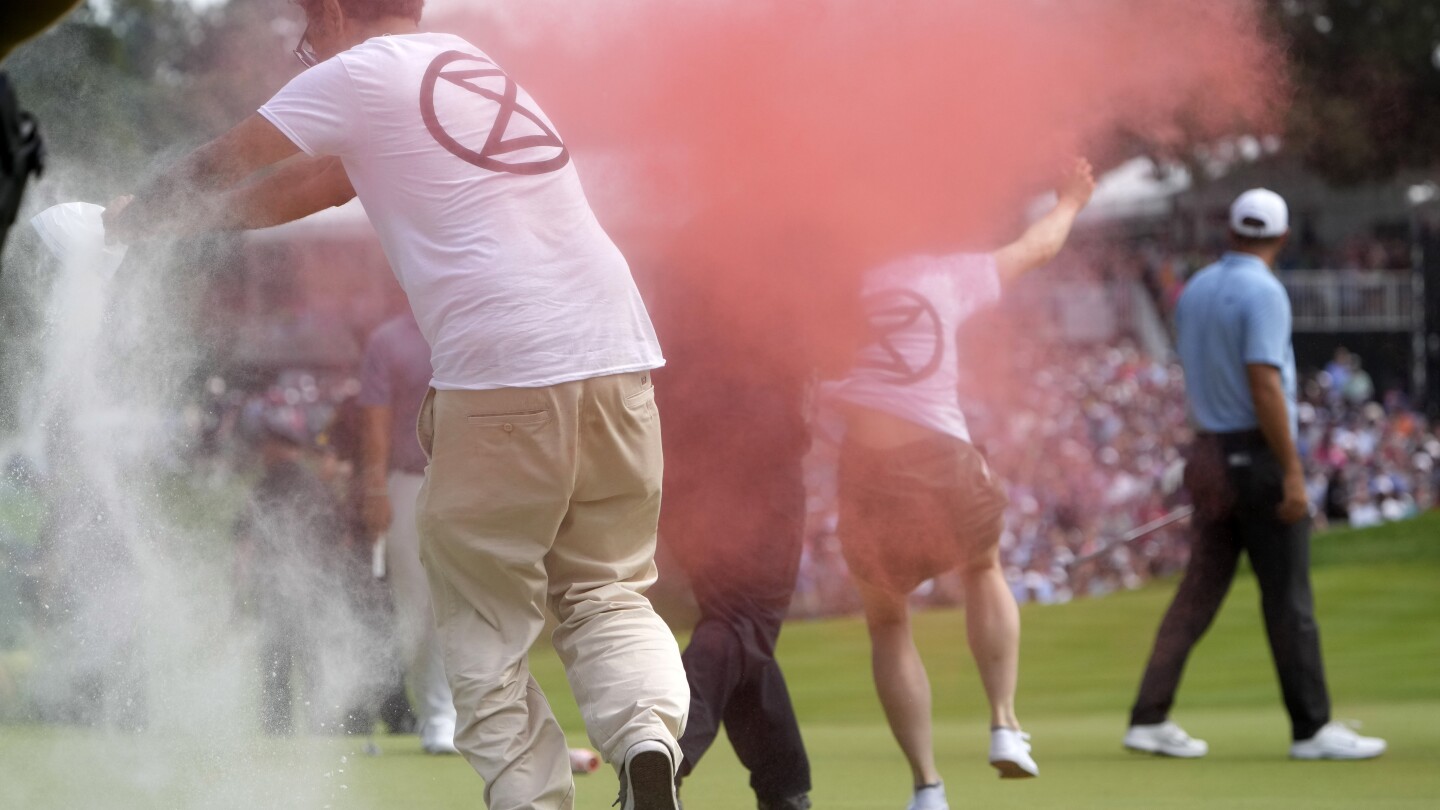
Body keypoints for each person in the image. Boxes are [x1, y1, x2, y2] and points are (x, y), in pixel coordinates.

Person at [104, 1, 689, 807]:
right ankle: (647, 740)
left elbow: (224, 162)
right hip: (620, 359)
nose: (309, 31)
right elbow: (318, 184)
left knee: (483, 627)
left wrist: (138, 217)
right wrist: (190, 228)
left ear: (339, 8)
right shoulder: (474, 71)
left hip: (501, 373)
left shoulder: (358, 73)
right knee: (608, 591)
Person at [824, 159, 1095, 810]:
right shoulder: (943, 275)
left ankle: (927, 786)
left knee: (888, 623)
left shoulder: (825, 298)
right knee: (982, 568)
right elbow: (1039, 246)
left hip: (867, 473)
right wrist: (1071, 200)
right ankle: (1003, 723)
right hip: (942, 457)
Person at [1123, 189, 1386, 762]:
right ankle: (1311, 729)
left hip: (1208, 455)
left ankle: (1148, 716)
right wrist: (1292, 471)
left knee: (1197, 593)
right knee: (1287, 596)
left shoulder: (1194, 289)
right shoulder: (1263, 290)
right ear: (1282, 236)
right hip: (1256, 455)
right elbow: (1264, 382)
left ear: (1231, 231)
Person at [356, 311, 459, 754]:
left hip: (472, 486)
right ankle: (431, 714)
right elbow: (376, 422)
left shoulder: (473, 324)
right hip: (408, 483)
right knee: (415, 608)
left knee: (458, 603)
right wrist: (375, 488)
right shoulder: (389, 339)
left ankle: (445, 717)